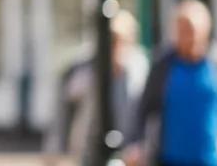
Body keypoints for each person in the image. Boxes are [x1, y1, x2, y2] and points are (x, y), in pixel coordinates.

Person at [124, 0, 217, 166]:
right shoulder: (163, 65)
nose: (187, 36)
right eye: (181, 30)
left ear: (205, 30)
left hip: (214, 160)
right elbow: (143, 109)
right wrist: (135, 144)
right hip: (170, 159)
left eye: (191, 30)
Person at [43, 9, 150, 166]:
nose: (113, 46)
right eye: (109, 40)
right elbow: (61, 115)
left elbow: (148, 114)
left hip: (126, 155)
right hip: (87, 154)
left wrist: (141, 149)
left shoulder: (140, 70)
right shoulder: (81, 69)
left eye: (118, 40)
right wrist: (55, 155)